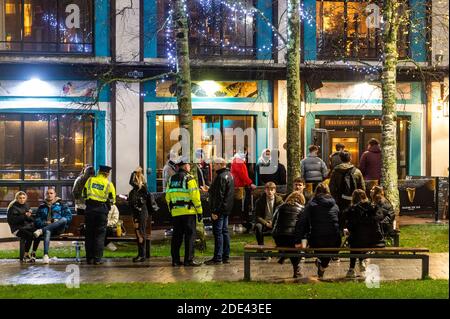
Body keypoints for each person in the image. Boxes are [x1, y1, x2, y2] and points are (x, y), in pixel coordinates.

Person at [295, 183, 341, 279]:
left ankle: (321, 264)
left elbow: (302, 222)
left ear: (316, 191)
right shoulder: (335, 205)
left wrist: (298, 240)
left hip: (317, 240)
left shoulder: (311, 204)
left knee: (320, 246)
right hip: (334, 241)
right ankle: (322, 266)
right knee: (328, 249)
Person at [165, 156, 203, 267]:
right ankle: (189, 260)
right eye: (188, 165)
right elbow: (195, 197)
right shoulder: (189, 178)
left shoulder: (172, 179)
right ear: (185, 166)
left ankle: (175, 260)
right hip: (189, 212)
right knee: (189, 237)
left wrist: (172, 210)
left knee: (176, 237)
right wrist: (199, 211)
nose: (189, 166)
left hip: (176, 213)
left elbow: (168, 197)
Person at [343, 189, 385, 278]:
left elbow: (350, 226)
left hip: (359, 241)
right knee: (360, 237)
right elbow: (380, 217)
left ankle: (351, 269)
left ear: (353, 198)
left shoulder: (352, 210)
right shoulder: (372, 206)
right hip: (373, 240)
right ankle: (361, 261)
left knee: (354, 241)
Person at [82, 165, 116, 265]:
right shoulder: (109, 184)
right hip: (101, 211)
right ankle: (97, 259)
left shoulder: (90, 180)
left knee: (89, 235)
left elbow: (84, 194)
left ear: (99, 172)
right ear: (107, 174)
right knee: (99, 235)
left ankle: (89, 258)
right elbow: (112, 200)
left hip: (90, 210)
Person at [205, 157, 235, 265]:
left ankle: (218, 257)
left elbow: (219, 196)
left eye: (215, 164)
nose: (213, 166)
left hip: (220, 210)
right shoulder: (229, 175)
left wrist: (215, 211)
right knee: (224, 232)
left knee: (218, 233)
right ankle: (225, 256)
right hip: (226, 209)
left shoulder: (220, 177)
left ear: (221, 164)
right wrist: (209, 189)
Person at [33, 188, 72, 264]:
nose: (49, 195)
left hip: (59, 229)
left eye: (51, 193)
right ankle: (46, 255)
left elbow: (68, 217)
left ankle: (41, 231)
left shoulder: (62, 204)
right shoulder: (42, 206)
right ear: (45, 195)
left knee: (63, 219)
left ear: (55, 194)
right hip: (48, 228)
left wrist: (58, 220)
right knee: (47, 231)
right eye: (48, 193)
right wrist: (45, 223)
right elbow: (37, 220)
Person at [128, 167, 159, 262]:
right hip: (137, 213)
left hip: (141, 212)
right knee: (138, 232)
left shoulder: (142, 189)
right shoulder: (134, 191)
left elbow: (131, 182)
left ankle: (142, 255)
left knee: (140, 232)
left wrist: (135, 173)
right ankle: (141, 254)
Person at [272, 191, 306, 278]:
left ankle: (285, 254)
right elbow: (303, 226)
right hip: (293, 239)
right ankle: (296, 270)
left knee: (291, 245)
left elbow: (273, 223)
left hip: (279, 238)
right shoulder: (302, 209)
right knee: (299, 245)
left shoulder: (280, 207)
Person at [329, 150, 365, 229]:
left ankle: (342, 232)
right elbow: (362, 188)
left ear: (341, 159)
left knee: (341, 217)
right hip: (355, 199)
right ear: (350, 159)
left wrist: (335, 198)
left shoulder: (336, 171)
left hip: (340, 199)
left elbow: (331, 186)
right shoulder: (357, 171)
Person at [7, 192, 40, 263]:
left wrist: (30, 216)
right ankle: (26, 254)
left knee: (38, 233)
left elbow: (30, 219)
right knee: (30, 236)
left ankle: (33, 252)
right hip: (17, 229)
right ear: (17, 199)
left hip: (27, 227)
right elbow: (13, 221)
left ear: (26, 199)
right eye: (20, 198)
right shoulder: (12, 208)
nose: (22, 199)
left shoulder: (26, 206)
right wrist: (25, 216)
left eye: (23, 198)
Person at [230, 151, 257, 233]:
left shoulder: (236, 161)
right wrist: (250, 183)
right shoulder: (239, 162)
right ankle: (245, 222)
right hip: (240, 187)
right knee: (242, 205)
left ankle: (245, 222)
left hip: (239, 186)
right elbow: (242, 174)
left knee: (241, 205)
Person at [253, 182, 283, 246]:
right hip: (264, 222)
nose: (270, 192)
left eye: (272, 190)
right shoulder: (259, 201)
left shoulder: (279, 201)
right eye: (268, 190)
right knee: (258, 226)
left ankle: (280, 248)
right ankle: (261, 247)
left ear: (275, 191)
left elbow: (281, 214)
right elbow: (257, 216)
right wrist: (266, 223)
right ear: (265, 190)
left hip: (275, 222)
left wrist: (273, 222)